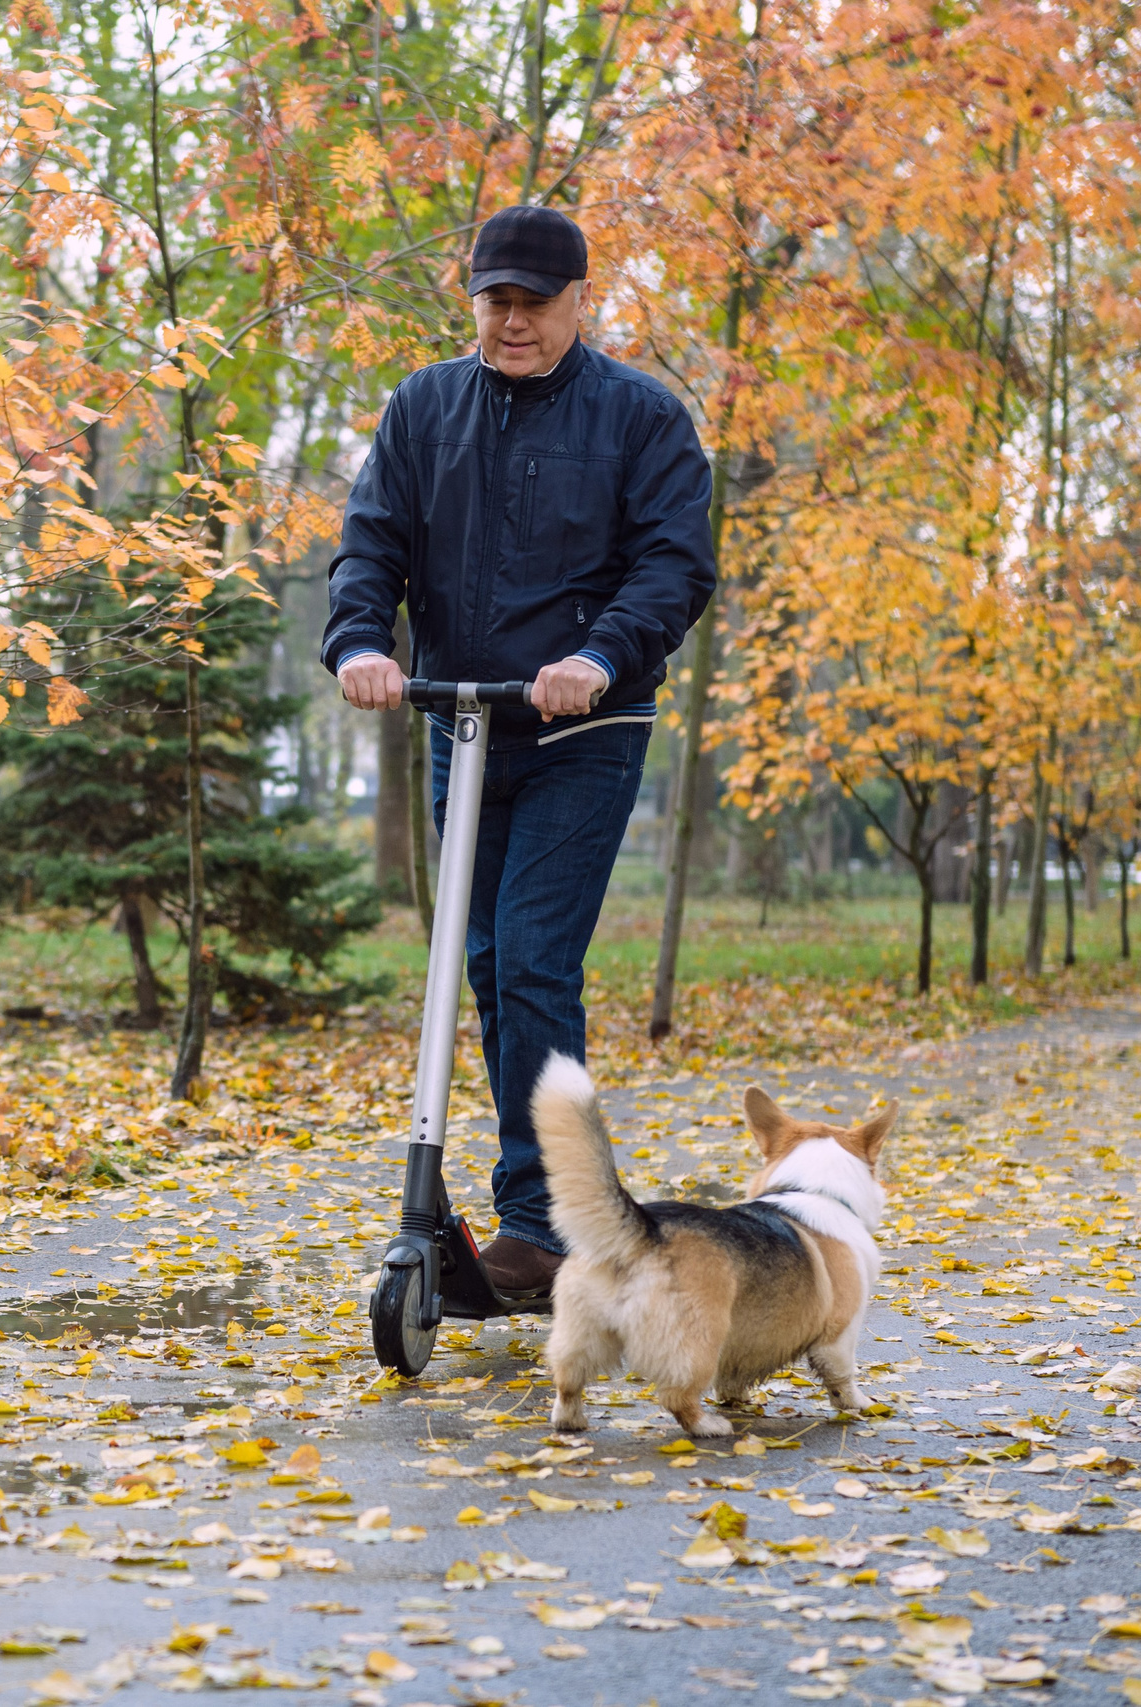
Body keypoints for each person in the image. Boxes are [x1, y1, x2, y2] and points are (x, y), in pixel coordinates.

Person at [323, 204, 717, 1297]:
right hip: (466, 719)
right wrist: (360, 638)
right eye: (494, 302)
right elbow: (374, 541)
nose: (511, 323)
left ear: (580, 302)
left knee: (534, 955)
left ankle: (546, 1227)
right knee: (487, 963)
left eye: (533, 305)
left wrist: (599, 655)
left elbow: (673, 565)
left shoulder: (640, 418)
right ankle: (548, 1210)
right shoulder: (424, 407)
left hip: (585, 726)